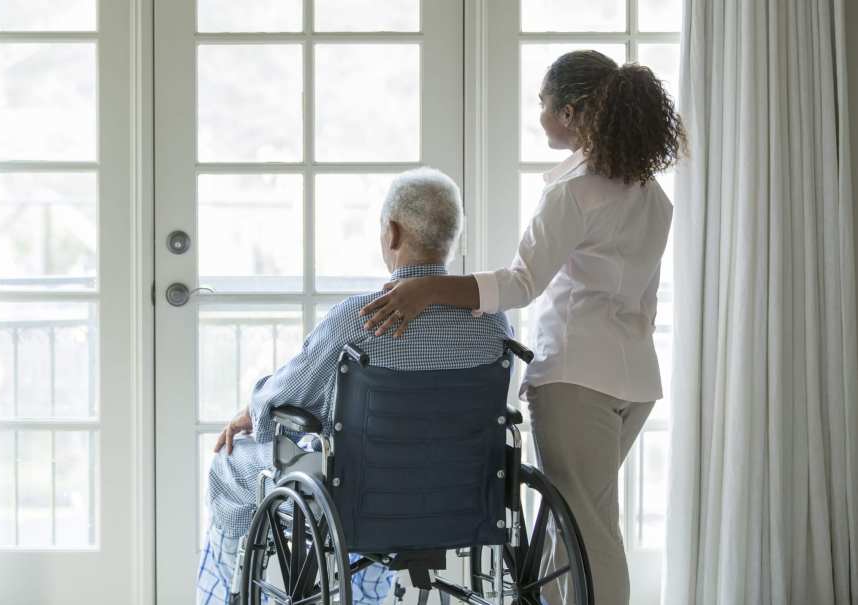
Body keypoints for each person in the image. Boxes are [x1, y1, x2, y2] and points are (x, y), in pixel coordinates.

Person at [360, 50, 685, 605]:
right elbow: (644, 300)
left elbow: (520, 284)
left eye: (544, 103)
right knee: (583, 525)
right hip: (635, 381)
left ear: (573, 111)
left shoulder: (573, 193)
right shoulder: (651, 196)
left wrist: (429, 287)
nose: (539, 116)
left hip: (578, 379)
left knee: (588, 533)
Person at [196, 167, 512, 605]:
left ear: (393, 232)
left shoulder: (362, 317)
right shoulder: (491, 322)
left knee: (230, 464)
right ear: (450, 239)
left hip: (361, 499)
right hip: (457, 497)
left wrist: (255, 410)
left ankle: (222, 595)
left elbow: (288, 397)